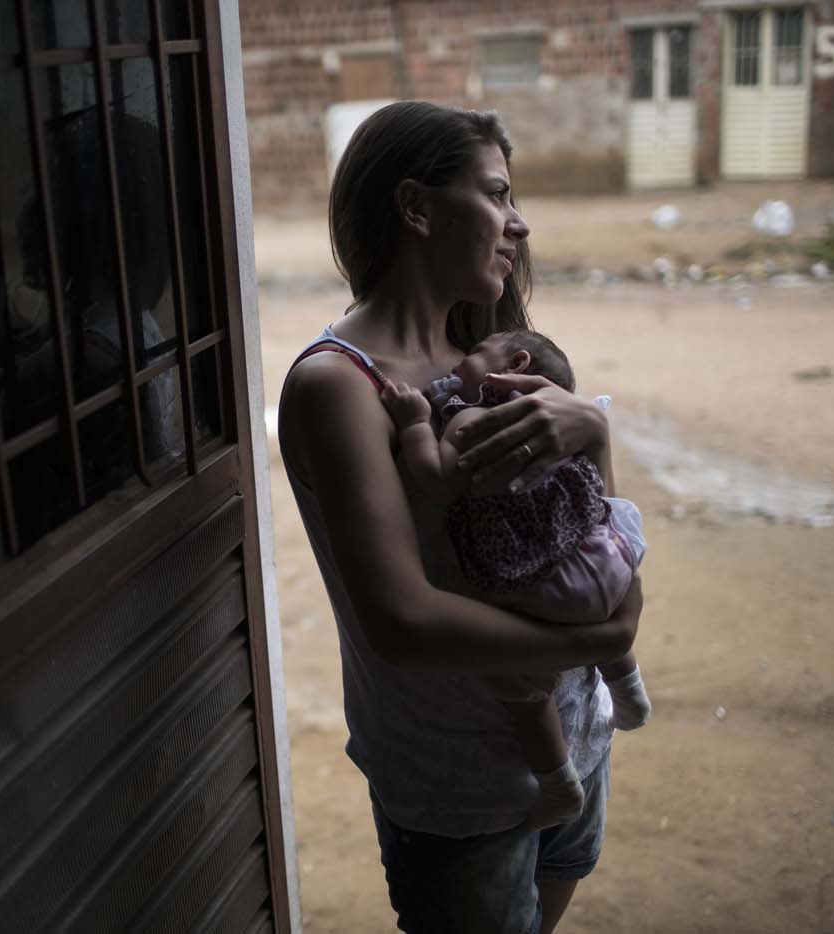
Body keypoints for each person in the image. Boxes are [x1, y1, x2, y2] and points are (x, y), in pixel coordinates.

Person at [277, 100, 642, 934]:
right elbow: (402, 620)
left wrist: (595, 435)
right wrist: (593, 640)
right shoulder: (341, 386)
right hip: (460, 788)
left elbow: (582, 525)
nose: (519, 225)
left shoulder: (489, 356)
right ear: (416, 207)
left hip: (573, 742)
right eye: (497, 194)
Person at [381, 326, 652, 832]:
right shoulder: (554, 417)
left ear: (517, 364)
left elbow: (435, 478)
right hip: (603, 565)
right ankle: (630, 689)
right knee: (595, 601)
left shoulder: (474, 416)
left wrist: (416, 422)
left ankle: (556, 783)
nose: (456, 367)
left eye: (474, 355)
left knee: (518, 682)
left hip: (542, 588)